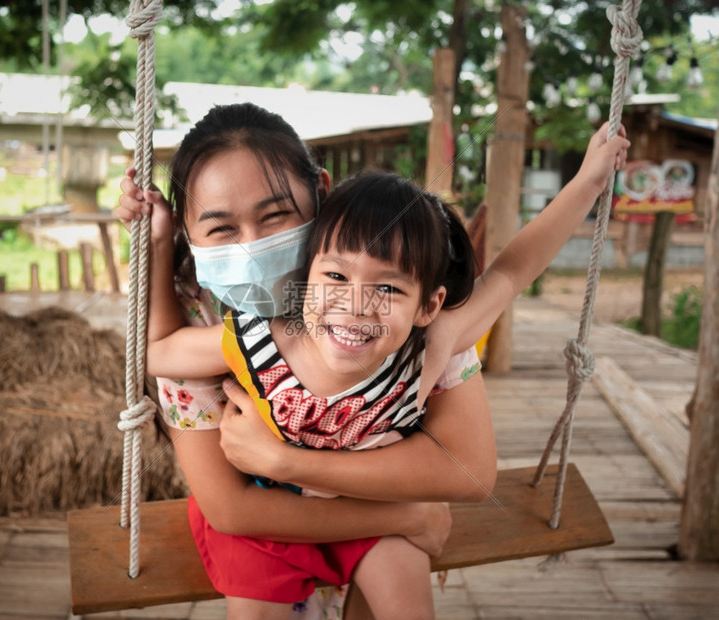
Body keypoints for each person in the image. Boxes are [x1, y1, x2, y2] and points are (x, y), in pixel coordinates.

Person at [142, 122, 630, 619]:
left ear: (429, 305)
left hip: (375, 513)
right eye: (335, 276)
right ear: (307, 274)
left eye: (389, 289)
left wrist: (587, 184)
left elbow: (510, 271)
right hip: (270, 514)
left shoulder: (426, 346)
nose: (356, 305)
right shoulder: (257, 339)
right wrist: (158, 244)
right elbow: (160, 352)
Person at [117, 102, 497, 619]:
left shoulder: (388, 298)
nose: (252, 246)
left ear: (320, 190)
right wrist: (409, 516)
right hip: (279, 522)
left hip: (369, 505)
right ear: (188, 231)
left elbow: (466, 469)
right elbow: (230, 508)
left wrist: (289, 462)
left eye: (275, 216)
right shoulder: (200, 320)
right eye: (222, 229)